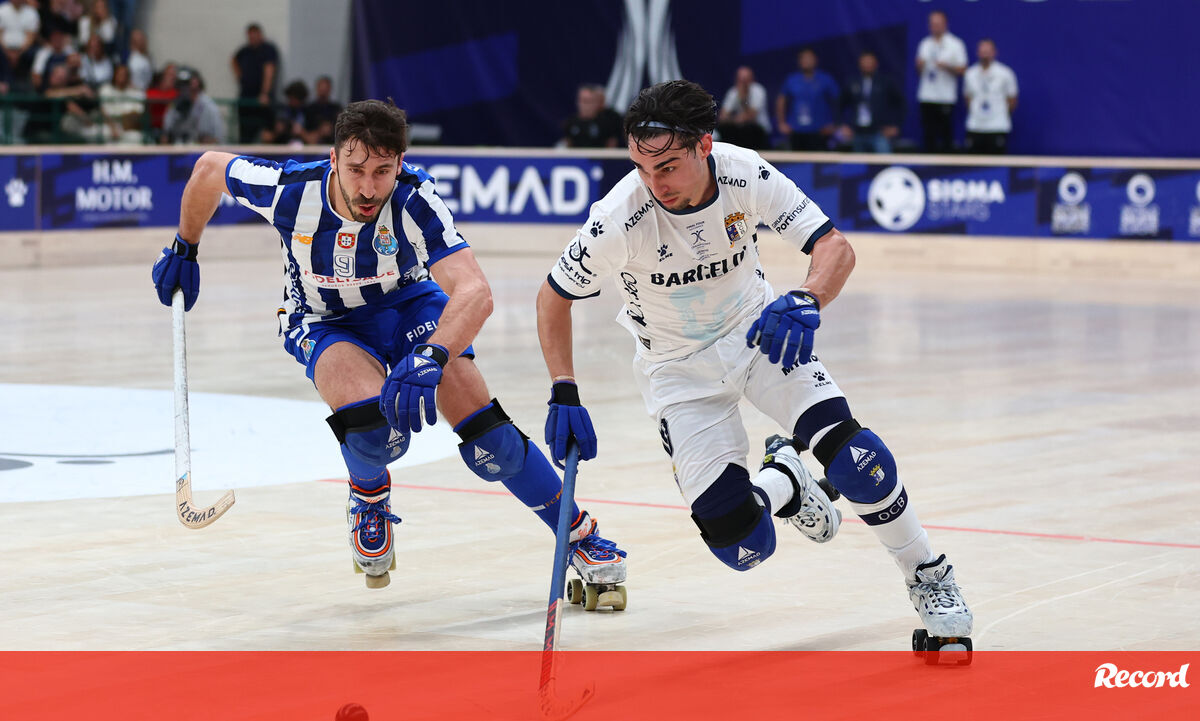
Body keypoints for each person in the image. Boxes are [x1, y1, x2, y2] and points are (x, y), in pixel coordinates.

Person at [535, 80, 972, 648]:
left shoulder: (745, 173)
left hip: (760, 335)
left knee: (855, 456)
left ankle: (929, 574)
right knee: (741, 545)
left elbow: (833, 247)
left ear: (703, 146)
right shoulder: (619, 216)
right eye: (641, 168)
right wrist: (563, 388)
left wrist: (809, 298)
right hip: (677, 373)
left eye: (667, 166)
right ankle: (785, 480)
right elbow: (553, 298)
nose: (654, 183)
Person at [150, 99, 628, 597]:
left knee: (491, 440)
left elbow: (475, 292)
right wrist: (186, 246)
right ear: (333, 159)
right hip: (325, 319)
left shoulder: (414, 197)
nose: (367, 188)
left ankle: (579, 536)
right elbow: (209, 170)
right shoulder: (290, 191)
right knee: (373, 434)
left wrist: (432, 356)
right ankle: (369, 496)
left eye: (382, 171)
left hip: (408, 306)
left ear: (400, 163)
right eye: (355, 169)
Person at [915, 10, 966, 153]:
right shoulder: (925, 43)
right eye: (932, 24)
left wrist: (947, 66)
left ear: (945, 24)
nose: (935, 26)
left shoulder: (955, 44)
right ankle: (928, 164)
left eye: (938, 23)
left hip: (945, 97)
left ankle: (946, 165)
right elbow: (919, 72)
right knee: (928, 136)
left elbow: (962, 70)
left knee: (946, 137)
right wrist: (919, 66)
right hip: (926, 96)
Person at [839, 50, 904, 154]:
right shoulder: (852, 83)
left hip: (879, 132)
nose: (867, 65)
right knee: (858, 163)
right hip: (857, 133)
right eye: (864, 62)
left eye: (870, 62)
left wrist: (896, 126)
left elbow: (901, 104)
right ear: (859, 64)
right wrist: (842, 125)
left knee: (883, 161)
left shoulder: (885, 83)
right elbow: (839, 104)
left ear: (876, 64)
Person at [776, 47, 839, 151]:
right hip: (796, 130)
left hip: (820, 131)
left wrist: (835, 124)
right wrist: (781, 123)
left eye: (809, 58)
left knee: (819, 159)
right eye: (803, 58)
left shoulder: (825, 79)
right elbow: (781, 100)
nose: (806, 61)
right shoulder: (792, 80)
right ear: (799, 61)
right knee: (796, 159)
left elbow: (838, 101)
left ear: (815, 60)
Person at [963, 39, 1017, 155]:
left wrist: (1000, 115)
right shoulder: (970, 73)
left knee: (996, 163)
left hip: (997, 126)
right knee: (973, 163)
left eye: (988, 51)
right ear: (977, 53)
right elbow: (968, 98)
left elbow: (1012, 100)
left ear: (994, 52)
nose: (985, 55)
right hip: (975, 126)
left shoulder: (1005, 73)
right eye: (982, 51)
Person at [231, 22, 278, 143]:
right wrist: (240, 76)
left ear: (260, 35)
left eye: (255, 35)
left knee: (267, 134)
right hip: (246, 98)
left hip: (262, 100)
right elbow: (234, 59)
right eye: (250, 36)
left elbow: (269, 72)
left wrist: (265, 93)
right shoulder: (245, 51)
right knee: (245, 136)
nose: (252, 39)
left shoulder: (267, 50)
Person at [161, 69, 223, 144]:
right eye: (180, 85)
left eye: (186, 84)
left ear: (196, 84)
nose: (183, 89)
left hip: (203, 149)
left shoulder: (207, 106)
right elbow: (165, 136)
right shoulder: (175, 105)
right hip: (178, 147)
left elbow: (214, 139)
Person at [716, 65, 770, 150]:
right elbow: (723, 116)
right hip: (739, 131)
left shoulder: (758, 90)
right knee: (724, 128)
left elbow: (751, 116)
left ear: (751, 79)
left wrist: (742, 98)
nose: (743, 83)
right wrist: (732, 120)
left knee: (749, 129)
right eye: (740, 80)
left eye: (745, 80)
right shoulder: (733, 91)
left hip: (758, 131)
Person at [562, 83, 623, 148]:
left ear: (597, 103)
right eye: (582, 100)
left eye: (589, 101)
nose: (585, 105)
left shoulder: (608, 122)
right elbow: (567, 145)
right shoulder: (570, 123)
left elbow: (612, 147)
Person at [98, 62, 144, 143]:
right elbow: (104, 111)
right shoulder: (106, 90)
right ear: (114, 75)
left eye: (125, 75)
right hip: (110, 125)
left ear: (128, 77)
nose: (122, 77)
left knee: (136, 136)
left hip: (129, 126)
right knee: (105, 132)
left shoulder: (136, 93)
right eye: (119, 74)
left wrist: (126, 121)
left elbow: (136, 114)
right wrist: (113, 127)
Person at [302, 74, 340, 145]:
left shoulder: (336, 109)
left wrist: (330, 129)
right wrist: (320, 132)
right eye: (321, 88)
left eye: (325, 89)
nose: (323, 91)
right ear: (317, 88)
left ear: (330, 89)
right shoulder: (308, 109)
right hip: (312, 146)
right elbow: (303, 130)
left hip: (333, 144)